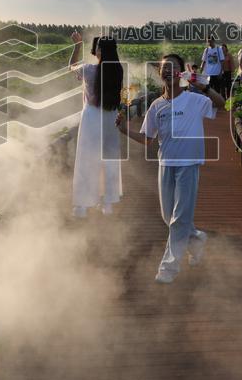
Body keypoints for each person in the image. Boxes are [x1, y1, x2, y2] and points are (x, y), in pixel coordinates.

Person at [117, 53, 225, 284]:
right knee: (170, 217)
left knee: (178, 219)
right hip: (165, 164)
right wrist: (124, 130)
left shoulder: (195, 99)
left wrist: (202, 86)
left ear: (181, 72)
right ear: (159, 73)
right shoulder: (157, 106)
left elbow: (222, 104)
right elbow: (147, 138)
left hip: (189, 164)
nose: (167, 71)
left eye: (173, 67)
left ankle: (168, 268)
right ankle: (196, 240)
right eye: (164, 68)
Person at [68, 32, 123, 218]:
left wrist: (77, 45)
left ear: (98, 51)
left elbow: (71, 66)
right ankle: (108, 203)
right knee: (109, 159)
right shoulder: (118, 70)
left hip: (91, 116)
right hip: (111, 115)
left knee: (86, 159)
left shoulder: (88, 70)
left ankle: (82, 206)